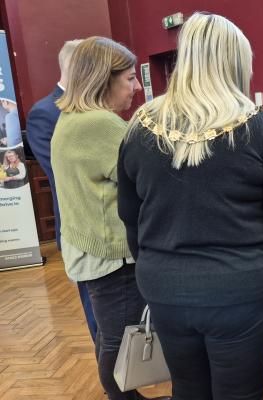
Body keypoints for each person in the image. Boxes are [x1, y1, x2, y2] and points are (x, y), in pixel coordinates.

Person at [118, 13, 263, 400]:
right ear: (235, 63)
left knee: (187, 390)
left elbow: (130, 218)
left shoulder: (139, 127)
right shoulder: (258, 126)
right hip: (242, 289)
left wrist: (159, 267)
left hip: (164, 287)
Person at [51, 37, 165, 400]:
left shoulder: (71, 118)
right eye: (130, 78)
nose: (137, 87)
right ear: (104, 79)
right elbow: (153, 182)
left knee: (109, 335)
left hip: (90, 250)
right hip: (114, 257)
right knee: (121, 341)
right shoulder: (100, 124)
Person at [25, 39, 98, 341]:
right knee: (98, 314)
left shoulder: (95, 106)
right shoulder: (45, 113)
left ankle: (131, 377)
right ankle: (118, 386)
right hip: (81, 226)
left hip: (115, 227)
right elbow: (63, 171)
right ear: (75, 66)